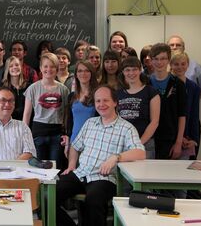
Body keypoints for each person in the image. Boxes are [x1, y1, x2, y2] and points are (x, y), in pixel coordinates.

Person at [56, 85, 146, 226]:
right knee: (46, 196)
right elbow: (75, 146)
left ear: (115, 102)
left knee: (94, 201)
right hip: (81, 173)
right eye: (98, 101)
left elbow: (140, 153)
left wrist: (116, 157)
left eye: (106, 100)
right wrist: (72, 165)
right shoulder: (90, 123)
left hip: (104, 178)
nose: (101, 105)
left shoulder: (126, 128)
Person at [23, 53, 69, 169]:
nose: (49, 69)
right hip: (38, 133)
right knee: (38, 168)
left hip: (56, 134)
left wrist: (65, 133)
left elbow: (66, 114)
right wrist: (24, 137)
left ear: (57, 68)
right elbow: (27, 114)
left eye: (52, 66)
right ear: (41, 68)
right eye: (46, 66)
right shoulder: (33, 88)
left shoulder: (63, 89)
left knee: (55, 168)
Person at [117, 57, 160, 159]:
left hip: (145, 144)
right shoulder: (118, 93)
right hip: (123, 144)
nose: (131, 73)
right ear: (123, 72)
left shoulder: (151, 92)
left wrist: (138, 144)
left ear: (140, 70)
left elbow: (154, 122)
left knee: (144, 174)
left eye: (134, 69)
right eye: (127, 70)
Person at [149, 43, 186, 159]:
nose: (159, 62)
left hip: (170, 139)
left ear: (169, 60)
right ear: (151, 60)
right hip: (149, 138)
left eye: (163, 58)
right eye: (156, 59)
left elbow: (182, 115)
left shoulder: (178, 84)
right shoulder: (145, 83)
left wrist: (178, 143)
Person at [170, 52, 200, 158]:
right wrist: (178, 137)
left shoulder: (194, 87)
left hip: (187, 138)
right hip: (170, 136)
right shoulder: (167, 84)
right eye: (176, 64)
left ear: (188, 65)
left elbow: (194, 115)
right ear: (171, 65)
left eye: (183, 64)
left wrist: (194, 139)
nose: (180, 67)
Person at [66, 60, 98, 145]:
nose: (83, 73)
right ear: (76, 74)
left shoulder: (97, 95)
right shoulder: (71, 96)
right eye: (80, 71)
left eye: (87, 70)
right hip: (74, 140)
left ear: (92, 73)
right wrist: (67, 142)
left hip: (92, 141)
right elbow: (69, 122)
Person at [2, 56, 29, 120]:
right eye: (11, 66)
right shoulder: (3, 89)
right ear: (7, 70)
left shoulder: (29, 87)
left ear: (21, 67)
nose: (14, 67)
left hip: (27, 124)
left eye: (17, 65)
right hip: (10, 124)